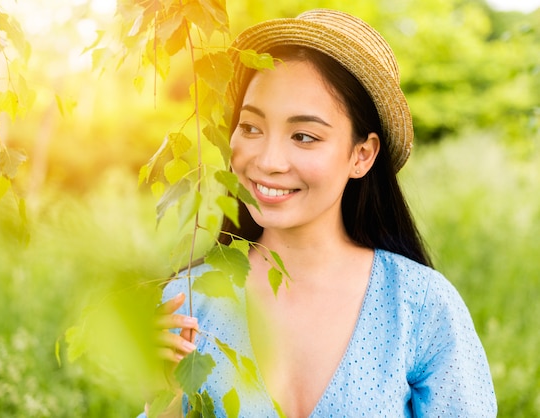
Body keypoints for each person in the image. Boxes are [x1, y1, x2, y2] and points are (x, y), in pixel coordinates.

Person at [145, 8, 497, 417]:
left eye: (304, 136)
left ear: (361, 155)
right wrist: (165, 395)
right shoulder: (189, 301)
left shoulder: (420, 305)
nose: (269, 160)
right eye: (252, 128)